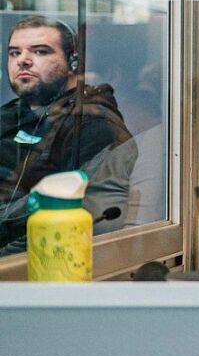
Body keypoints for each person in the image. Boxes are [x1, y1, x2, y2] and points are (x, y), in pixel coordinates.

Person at [0, 16, 136, 254]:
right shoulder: (10, 115)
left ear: (73, 62)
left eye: (40, 51)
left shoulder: (94, 125)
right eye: (14, 53)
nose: (23, 61)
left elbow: (80, 223)